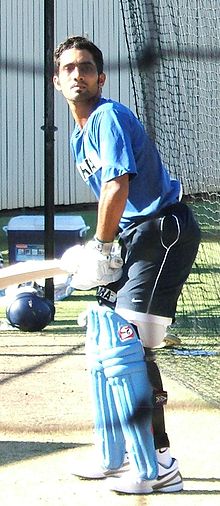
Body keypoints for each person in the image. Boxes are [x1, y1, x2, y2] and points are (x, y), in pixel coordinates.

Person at [53, 35, 201, 494]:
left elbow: (117, 186)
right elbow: (111, 197)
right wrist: (103, 247)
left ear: (101, 76)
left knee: (131, 348)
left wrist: (100, 245)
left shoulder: (107, 116)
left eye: (86, 67)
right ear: (56, 80)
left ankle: (159, 461)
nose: (78, 74)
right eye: (69, 68)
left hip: (163, 231)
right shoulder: (81, 135)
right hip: (137, 237)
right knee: (105, 340)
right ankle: (118, 456)